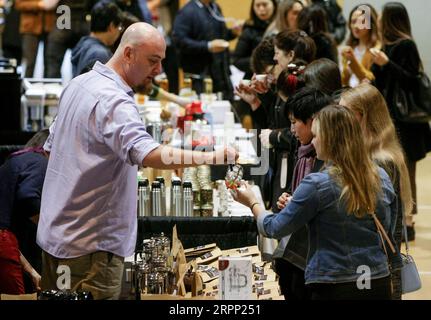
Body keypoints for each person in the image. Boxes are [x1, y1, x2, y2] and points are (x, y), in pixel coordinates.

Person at [37, 22, 237, 300]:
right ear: (128, 54)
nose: (158, 71)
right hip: (91, 248)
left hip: (55, 237)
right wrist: (211, 156)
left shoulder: (78, 84)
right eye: (153, 61)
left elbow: (49, 149)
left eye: (161, 62)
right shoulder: (115, 101)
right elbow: (147, 153)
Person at [232, 105, 399, 300]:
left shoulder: (317, 184)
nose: (314, 141)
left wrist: (252, 201)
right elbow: (387, 225)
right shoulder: (380, 176)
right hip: (377, 280)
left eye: (317, 135)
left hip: (334, 285)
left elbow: (274, 228)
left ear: (329, 140)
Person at [340, 83, 413, 300]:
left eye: (344, 113)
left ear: (362, 116)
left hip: (377, 266)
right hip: (374, 263)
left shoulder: (381, 161)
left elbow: (379, 221)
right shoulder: (371, 153)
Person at [371, 2, 431, 240]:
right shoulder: (385, 45)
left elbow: (412, 81)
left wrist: (388, 64)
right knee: (393, 168)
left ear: (390, 20)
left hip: (407, 122)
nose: (377, 20)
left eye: (382, 17)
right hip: (389, 118)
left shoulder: (406, 45)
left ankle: (408, 219)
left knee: (406, 170)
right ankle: (397, 217)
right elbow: (383, 82)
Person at [274, 87, 331, 300]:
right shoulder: (303, 151)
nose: (291, 129)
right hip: (297, 248)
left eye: (294, 122)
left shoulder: (325, 157)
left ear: (314, 121)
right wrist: (289, 198)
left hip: (313, 257)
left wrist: (255, 206)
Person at [0, 129, 49, 295]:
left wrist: (32, 272)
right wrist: (49, 230)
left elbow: (6, 236)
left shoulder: (15, 161)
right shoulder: (39, 160)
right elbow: (28, 198)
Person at [172, 0, 242, 100]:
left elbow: (221, 35)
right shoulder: (187, 11)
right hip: (200, 76)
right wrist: (207, 46)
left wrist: (233, 32)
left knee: (226, 109)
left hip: (221, 74)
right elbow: (179, 41)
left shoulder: (215, 7)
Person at [71, 0, 123, 77]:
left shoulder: (83, 44)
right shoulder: (99, 55)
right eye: (119, 27)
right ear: (111, 26)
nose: (119, 32)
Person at [233, 0, 277, 80]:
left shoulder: (282, 26)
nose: (261, 8)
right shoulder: (249, 30)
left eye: (265, 4)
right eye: (257, 5)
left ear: (274, 5)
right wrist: (261, 63)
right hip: (255, 78)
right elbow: (236, 60)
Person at [340, 4, 380, 87]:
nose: (356, 26)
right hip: (350, 94)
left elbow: (371, 81)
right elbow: (344, 81)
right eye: (353, 22)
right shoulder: (350, 47)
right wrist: (346, 72)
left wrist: (353, 61)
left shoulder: (377, 48)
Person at [15, 0, 56, 77]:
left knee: (50, 62)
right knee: (29, 62)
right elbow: (18, 4)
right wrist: (39, 5)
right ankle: (25, 87)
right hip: (30, 28)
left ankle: (49, 86)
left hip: (50, 27)